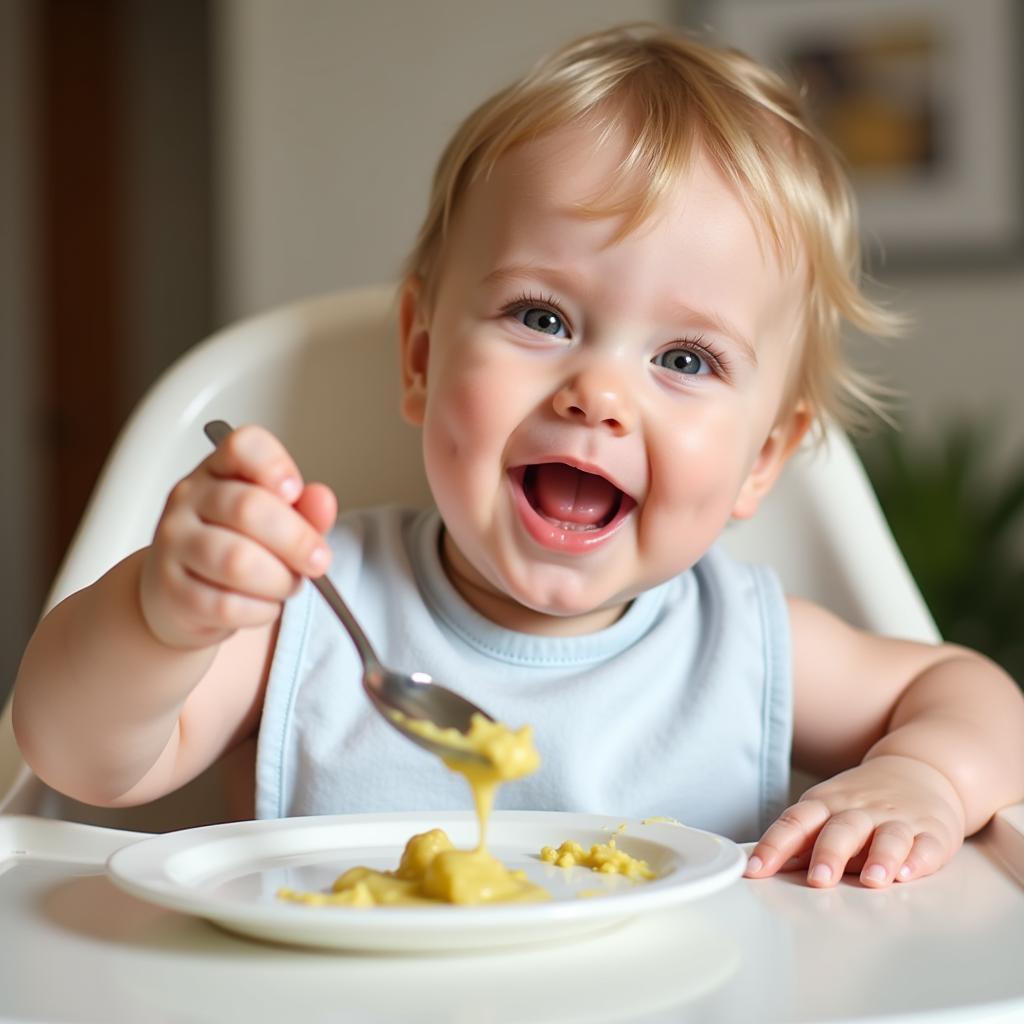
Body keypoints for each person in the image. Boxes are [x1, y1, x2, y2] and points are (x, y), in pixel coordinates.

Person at [13, 25, 1024, 889]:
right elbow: (77, 755)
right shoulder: (318, 613)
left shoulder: (748, 648)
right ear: (419, 356)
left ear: (764, 456)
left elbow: (977, 698)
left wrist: (923, 776)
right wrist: (163, 613)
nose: (598, 393)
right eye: (540, 316)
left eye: (683, 357)